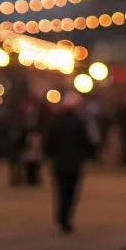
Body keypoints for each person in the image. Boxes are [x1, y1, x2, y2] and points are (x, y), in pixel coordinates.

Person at [43, 93, 94, 233]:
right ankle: (66, 219)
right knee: (71, 192)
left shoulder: (55, 122)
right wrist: (90, 155)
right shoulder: (79, 123)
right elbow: (86, 142)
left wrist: (49, 155)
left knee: (60, 190)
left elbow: (48, 142)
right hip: (74, 163)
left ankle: (61, 216)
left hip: (59, 162)